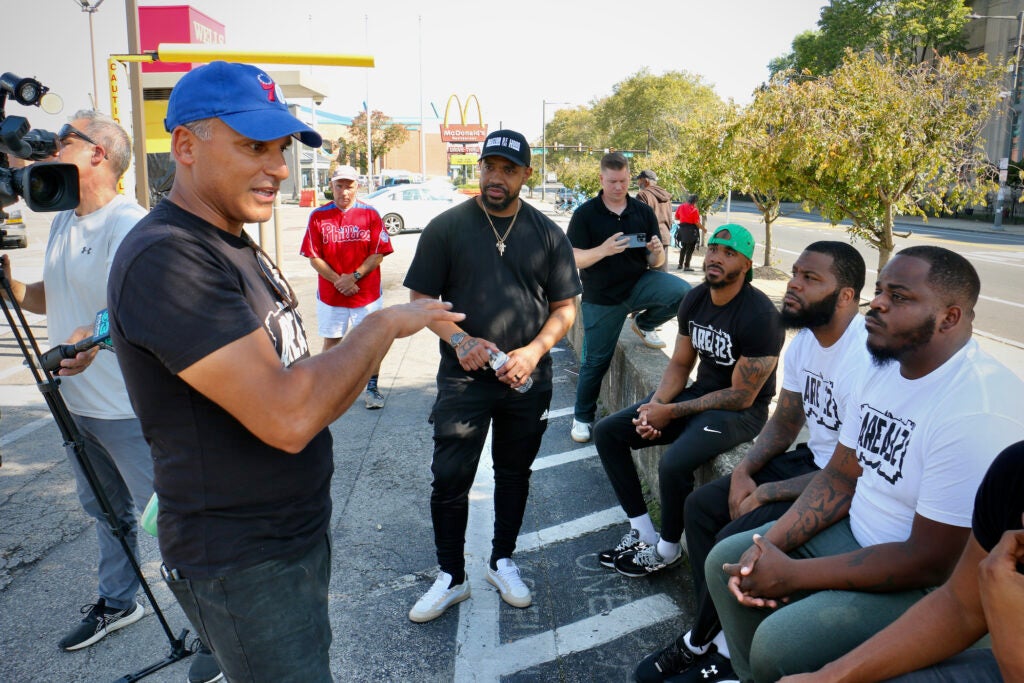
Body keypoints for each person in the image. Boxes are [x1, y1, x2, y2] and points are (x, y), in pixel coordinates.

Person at [106, 61, 463, 683]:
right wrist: (382, 325)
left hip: (285, 536)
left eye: (281, 149)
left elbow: (296, 374)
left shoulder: (232, 238)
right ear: (186, 146)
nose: (277, 167)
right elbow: (290, 415)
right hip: (243, 557)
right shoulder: (170, 255)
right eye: (252, 147)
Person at [705, 246, 1024, 683]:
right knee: (727, 561)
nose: (877, 304)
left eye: (899, 296)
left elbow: (929, 562)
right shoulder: (884, 366)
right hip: (855, 533)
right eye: (879, 291)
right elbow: (839, 475)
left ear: (950, 317)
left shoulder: (976, 410)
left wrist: (794, 574)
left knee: (780, 644)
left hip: (925, 582)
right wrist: (769, 549)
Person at [2, 111, 222, 682]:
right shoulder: (62, 221)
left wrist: (96, 336)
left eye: (63, 139)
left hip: (133, 409)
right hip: (78, 405)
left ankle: (219, 632)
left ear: (99, 153)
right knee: (105, 512)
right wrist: (13, 289)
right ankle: (118, 603)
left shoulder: (132, 224)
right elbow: (55, 299)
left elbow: (141, 302)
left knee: (173, 524)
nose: (46, 147)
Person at [634, 241, 870, 682]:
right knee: (701, 507)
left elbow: (848, 475)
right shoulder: (804, 345)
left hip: (838, 479)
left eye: (810, 278)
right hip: (809, 462)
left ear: (846, 296)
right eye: (795, 273)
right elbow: (784, 423)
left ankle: (718, 650)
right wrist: (744, 470)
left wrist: (764, 490)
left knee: (737, 535)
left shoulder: (865, 358)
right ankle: (709, 634)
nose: (793, 286)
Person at [404, 129, 582, 623]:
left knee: (513, 473)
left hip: (525, 379)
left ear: (526, 174)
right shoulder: (447, 227)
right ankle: (450, 576)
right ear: (478, 168)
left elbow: (565, 308)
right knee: (450, 477)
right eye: (489, 166)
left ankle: (502, 561)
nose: (496, 177)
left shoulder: (548, 233)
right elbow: (420, 304)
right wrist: (459, 341)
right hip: (464, 378)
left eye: (508, 169)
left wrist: (534, 351)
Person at [593, 224, 784, 579]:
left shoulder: (761, 317)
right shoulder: (695, 299)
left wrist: (672, 411)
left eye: (729, 254)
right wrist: (654, 407)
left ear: (746, 265)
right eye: (713, 249)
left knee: (674, 463)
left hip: (739, 413)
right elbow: (681, 364)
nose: (716, 258)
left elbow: (743, 395)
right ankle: (643, 531)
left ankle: (667, 550)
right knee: (608, 432)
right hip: (699, 394)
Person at [779, 440, 1024, 683]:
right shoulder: (1014, 470)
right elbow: (961, 605)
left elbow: (927, 558)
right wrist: (828, 677)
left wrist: (1008, 627)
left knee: (778, 642)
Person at [567, 152, 691, 444]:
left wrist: (657, 250)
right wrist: (603, 250)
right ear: (601, 179)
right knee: (595, 362)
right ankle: (582, 417)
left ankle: (645, 323)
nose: (619, 187)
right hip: (602, 297)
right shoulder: (585, 214)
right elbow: (572, 258)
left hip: (638, 284)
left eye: (623, 180)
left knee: (684, 294)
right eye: (612, 181)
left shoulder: (641, 210)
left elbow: (652, 259)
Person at [300, 163, 393, 409]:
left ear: (357, 187)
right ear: (331, 187)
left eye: (349, 186)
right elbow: (313, 257)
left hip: (367, 295)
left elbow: (378, 254)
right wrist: (339, 282)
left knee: (371, 342)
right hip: (332, 296)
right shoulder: (318, 216)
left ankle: (371, 389)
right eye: (339, 186)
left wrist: (353, 277)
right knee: (332, 340)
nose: (344, 191)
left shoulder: (370, 214)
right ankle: (328, 388)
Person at [634, 170, 674, 272]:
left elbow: (639, 220)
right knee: (661, 272)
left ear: (646, 181)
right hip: (664, 235)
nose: (638, 183)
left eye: (639, 180)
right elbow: (670, 219)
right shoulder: (666, 196)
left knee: (642, 272)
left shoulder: (642, 195)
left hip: (648, 239)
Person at [674, 195, 705, 271]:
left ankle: (680, 265)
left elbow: (676, 217)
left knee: (683, 248)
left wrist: (683, 217)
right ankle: (687, 266)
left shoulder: (681, 206)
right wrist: (704, 229)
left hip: (682, 230)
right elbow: (696, 223)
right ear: (695, 202)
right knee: (690, 249)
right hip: (691, 231)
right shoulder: (694, 209)